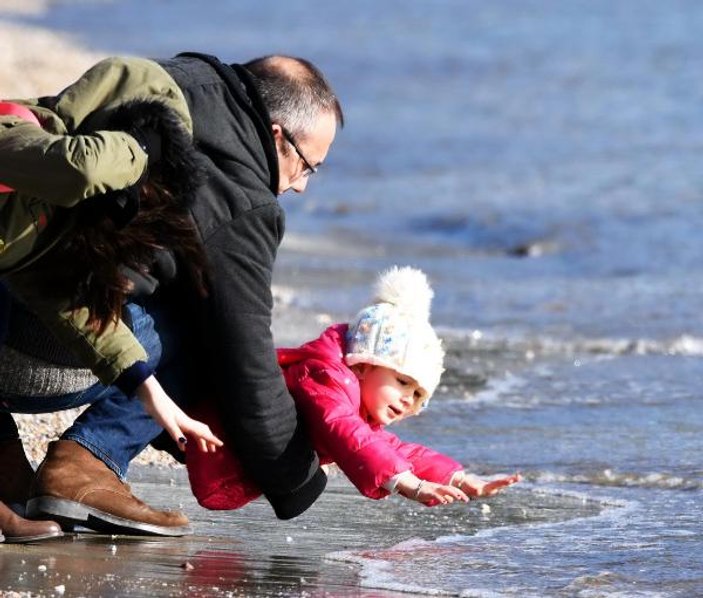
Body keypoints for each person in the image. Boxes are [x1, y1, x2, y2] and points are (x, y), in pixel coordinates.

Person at [0, 52, 344, 535]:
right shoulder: (242, 199)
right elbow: (243, 362)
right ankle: (89, 461)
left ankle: (12, 463)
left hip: (24, 285)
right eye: (309, 166)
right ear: (277, 138)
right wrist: (295, 477)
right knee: (207, 320)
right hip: (29, 348)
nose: (303, 187)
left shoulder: (170, 83)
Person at [186, 267, 522, 511]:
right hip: (209, 439)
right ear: (362, 364)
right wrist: (409, 484)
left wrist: (458, 478)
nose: (408, 400)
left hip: (227, 451)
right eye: (403, 381)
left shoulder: (354, 395)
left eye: (418, 395)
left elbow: (391, 447)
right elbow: (344, 430)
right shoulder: (327, 378)